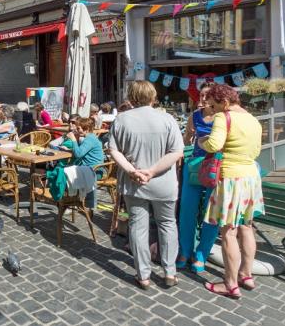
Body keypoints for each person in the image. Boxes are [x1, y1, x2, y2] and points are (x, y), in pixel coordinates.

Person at [108, 80, 184, 290]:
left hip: (134, 183)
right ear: (153, 96)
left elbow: (114, 150)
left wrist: (132, 171)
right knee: (167, 224)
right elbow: (177, 152)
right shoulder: (167, 119)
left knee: (138, 227)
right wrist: (152, 172)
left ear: (131, 97)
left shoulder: (121, 120)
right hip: (163, 183)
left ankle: (143, 275)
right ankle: (169, 272)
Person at [199, 84, 263, 299]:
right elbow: (256, 151)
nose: (214, 110)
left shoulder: (223, 117)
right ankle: (246, 274)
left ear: (224, 102)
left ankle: (230, 283)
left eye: (215, 105)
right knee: (246, 227)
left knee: (228, 231)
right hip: (250, 178)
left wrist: (202, 141)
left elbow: (215, 144)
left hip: (230, 179)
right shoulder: (253, 119)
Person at [177, 83, 219, 274]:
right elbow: (187, 139)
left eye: (205, 96)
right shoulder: (194, 116)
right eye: (200, 96)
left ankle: (201, 253)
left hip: (215, 167)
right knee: (187, 210)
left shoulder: (222, 118)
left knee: (211, 213)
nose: (201, 100)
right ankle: (185, 250)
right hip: (194, 166)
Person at [59, 117, 104, 216]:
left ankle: (70, 202)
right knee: (66, 169)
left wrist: (74, 140)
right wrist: (68, 150)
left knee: (65, 173)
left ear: (86, 129)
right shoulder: (90, 138)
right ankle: (71, 201)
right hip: (89, 168)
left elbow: (79, 154)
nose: (76, 130)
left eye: (78, 128)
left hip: (95, 171)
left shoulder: (90, 139)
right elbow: (81, 152)